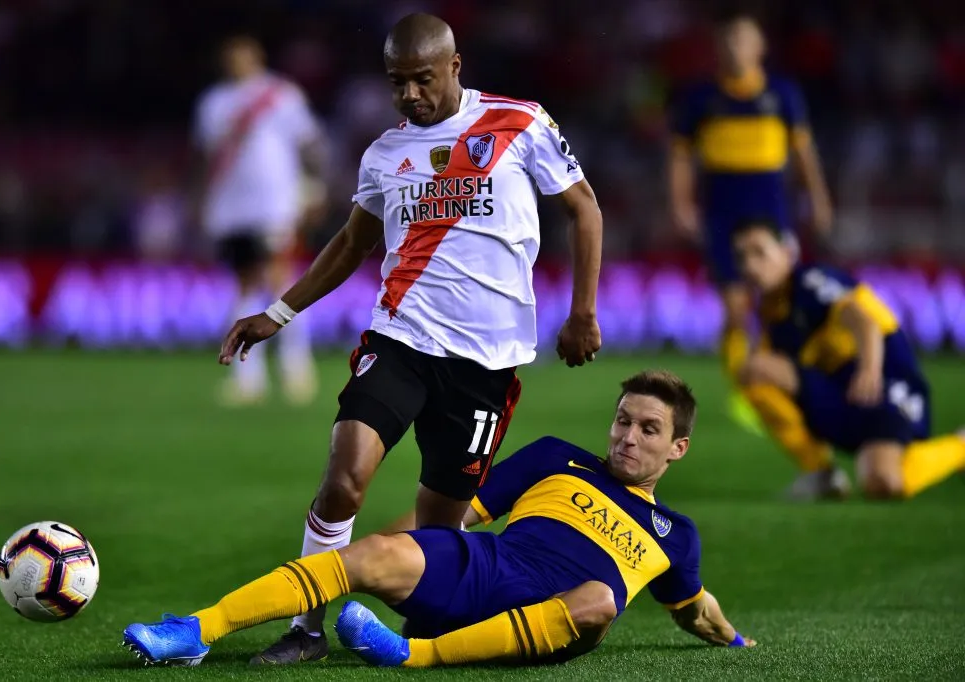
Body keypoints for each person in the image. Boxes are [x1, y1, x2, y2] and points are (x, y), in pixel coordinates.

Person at [216, 13, 603, 664]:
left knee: (442, 523)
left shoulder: (521, 123)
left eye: (422, 80)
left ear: (455, 68)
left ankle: (431, 630)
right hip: (400, 340)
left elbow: (584, 206)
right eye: (398, 83)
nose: (410, 95)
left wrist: (583, 312)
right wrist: (277, 313)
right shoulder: (384, 154)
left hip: (486, 363)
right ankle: (307, 629)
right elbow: (350, 245)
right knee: (344, 478)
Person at [122, 370, 754, 668]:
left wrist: (732, 638)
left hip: (555, 615)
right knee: (373, 551)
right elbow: (466, 515)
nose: (627, 438)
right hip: (489, 569)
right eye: (622, 420)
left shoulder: (676, 534)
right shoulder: (557, 457)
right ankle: (197, 630)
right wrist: (399, 553)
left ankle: (414, 655)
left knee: (600, 600)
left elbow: (695, 608)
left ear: (677, 448)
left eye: (649, 430)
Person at [668, 12, 832, 437]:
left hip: (772, 210)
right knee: (737, 306)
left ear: (760, 48)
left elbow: (803, 153)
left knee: (779, 301)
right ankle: (746, 389)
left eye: (744, 40)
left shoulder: (783, 94)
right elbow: (681, 156)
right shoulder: (701, 97)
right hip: (723, 212)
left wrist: (818, 197)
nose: (735, 48)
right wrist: (681, 203)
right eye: (729, 40)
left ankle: (780, 380)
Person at [732, 220, 965, 499]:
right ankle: (820, 473)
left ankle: (960, 447)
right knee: (755, 370)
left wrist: (869, 368)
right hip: (841, 390)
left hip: (887, 386)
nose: (750, 266)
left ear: (786, 252)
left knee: (885, 484)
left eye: (759, 252)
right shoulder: (770, 311)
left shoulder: (810, 281)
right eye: (742, 257)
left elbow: (863, 320)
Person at [193, 35, 325, 406]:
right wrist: (203, 202)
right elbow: (208, 158)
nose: (236, 62)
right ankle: (248, 379)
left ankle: (297, 369)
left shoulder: (281, 94)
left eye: (243, 55)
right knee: (245, 285)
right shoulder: (212, 103)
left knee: (280, 280)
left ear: (257, 57)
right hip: (232, 208)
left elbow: (308, 143)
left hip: (274, 204)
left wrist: (313, 188)